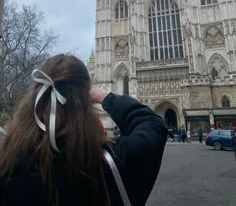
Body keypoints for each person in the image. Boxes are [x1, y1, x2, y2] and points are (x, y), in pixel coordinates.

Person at [0, 54, 167, 206]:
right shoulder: (112, 163)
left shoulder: (8, 164)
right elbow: (152, 125)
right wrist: (104, 97)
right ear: (87, 98)